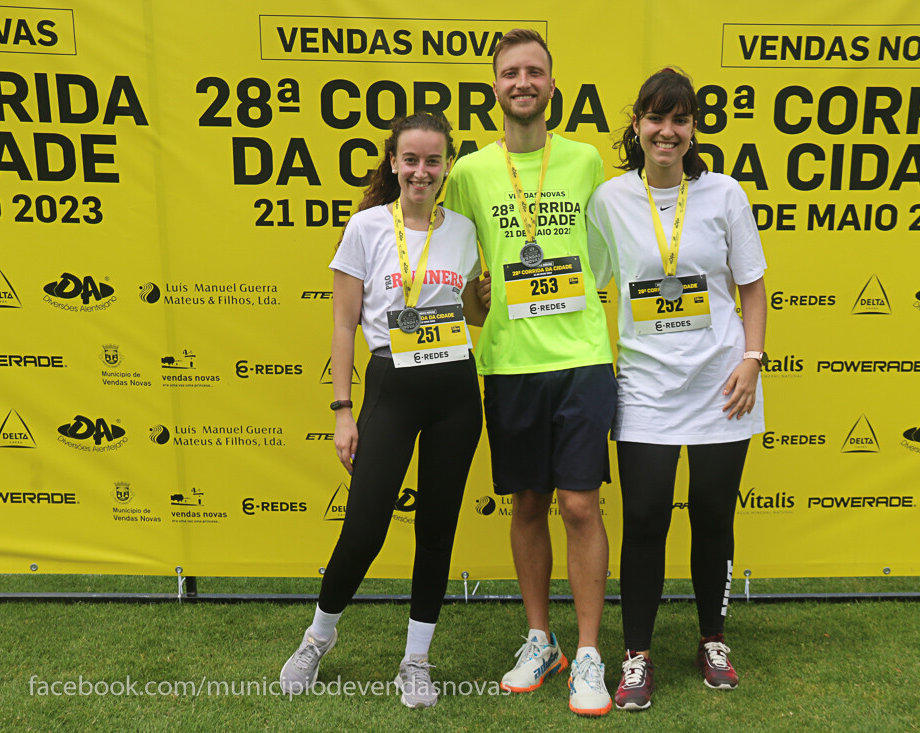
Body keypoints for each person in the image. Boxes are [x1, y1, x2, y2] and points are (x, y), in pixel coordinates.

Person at [279, 111, 486, 709]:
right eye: (411, 160)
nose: (422, 171)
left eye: (433, 160)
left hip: (454, 390)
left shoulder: (465, 230)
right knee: (365, 526)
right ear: (393, 163)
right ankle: (318, 637)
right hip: (390, 389)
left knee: (437, 529)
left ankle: (416, 660)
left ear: (447, 165)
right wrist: (344, 409)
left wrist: (480, 298)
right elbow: (344, 323)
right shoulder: (367, 227)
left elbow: (471, 316)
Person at [443, 28, 616, 717]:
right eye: (510, 72)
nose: (523, 82)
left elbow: (604, 254)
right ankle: (541, 638)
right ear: (495, 89)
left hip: (580, 356)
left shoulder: (586, 160)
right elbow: (452, 271)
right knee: (525, 503)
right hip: (509, 361)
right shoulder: (468, 172)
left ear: (552, 85)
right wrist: (471, 302)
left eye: (534, 72)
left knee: (579, 504)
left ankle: (592, 651)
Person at [586, 68, 767, 711]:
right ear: (636, 126)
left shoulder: (724, 195)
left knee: (715, 516)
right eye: (656, 119)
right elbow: (586, 281)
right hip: (645, 386)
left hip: (723, 383)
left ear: (693, 129)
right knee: (644, 522)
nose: (668, 131)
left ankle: (712, 639)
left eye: (680, 119)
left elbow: (751, 286)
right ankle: (636, 654)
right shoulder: (609, 200)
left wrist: (751, 358)